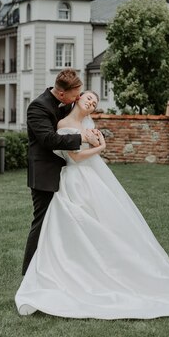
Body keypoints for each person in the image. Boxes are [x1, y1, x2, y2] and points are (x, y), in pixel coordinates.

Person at [16, 91, 169, 319]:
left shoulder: (87, 122)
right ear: (77, 98)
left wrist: (96, 140)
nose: (91, 104)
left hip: (88, 179)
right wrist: (100, 147)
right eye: (88, 99)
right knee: (70, 225)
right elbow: (75, 157)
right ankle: (65, 270)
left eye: (95, 103)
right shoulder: (63, 122)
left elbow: (86, 150)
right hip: (73, 179)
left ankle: (96, 268)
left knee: (103, 224)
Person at [21, 69, 100, 275]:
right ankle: (30, 272)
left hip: (68, 174)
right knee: (42, 222)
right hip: (45, 174)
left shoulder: (68, 105)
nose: (79, 98)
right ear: (62, 94)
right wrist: (83, 138)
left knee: (64, 223)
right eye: (76, 95)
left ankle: (61, 268)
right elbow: (49, 140)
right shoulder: (37, 107)